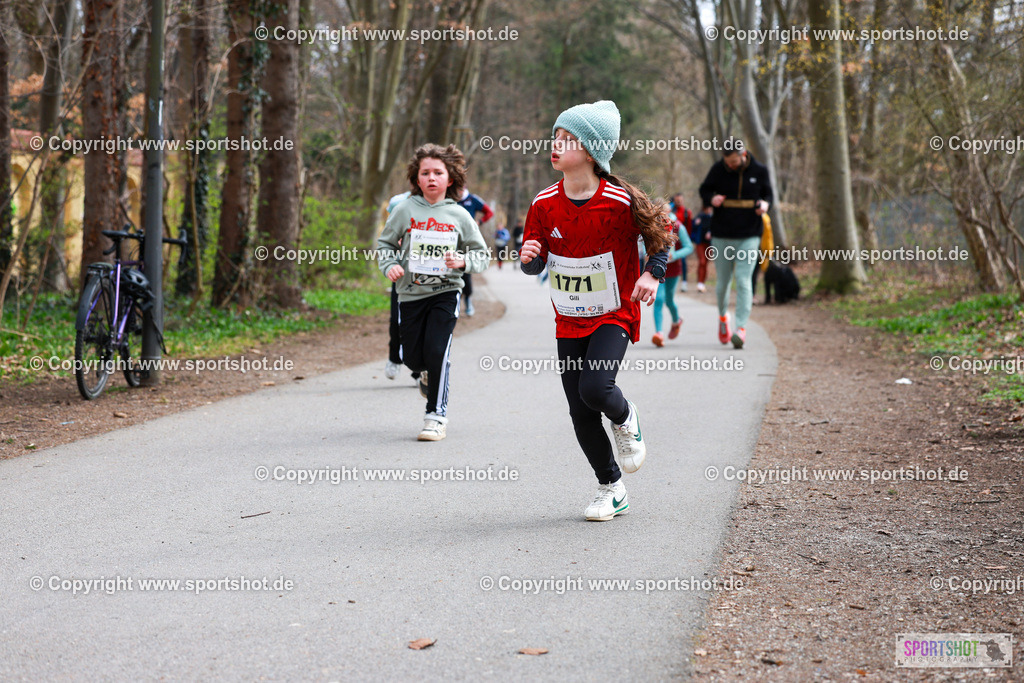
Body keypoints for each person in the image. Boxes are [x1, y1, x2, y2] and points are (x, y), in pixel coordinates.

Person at [519, 100, 672, 522]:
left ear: (589, 151)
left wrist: (652, 274)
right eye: (555, 137)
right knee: (580, 412)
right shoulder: (543, 204)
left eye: (566, 140)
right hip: (568, 316)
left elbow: (663, 233)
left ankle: (626, 417)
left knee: (596, 388)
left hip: (614, 312)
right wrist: (529, 256)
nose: (555, 145)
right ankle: (611, 487)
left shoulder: (621, 201)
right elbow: (535, 258)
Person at [378, 144, 489, 441]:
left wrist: (463, 260)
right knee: (413, 359)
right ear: (416, 178)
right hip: (411, 293)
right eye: (425, 173)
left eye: (438, 173)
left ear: (450, 179)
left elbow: (482, 254)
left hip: (446, 291)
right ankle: (424, 373)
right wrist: (390, 265)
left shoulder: (460, 215)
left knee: (438, 352)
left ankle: (435, 416)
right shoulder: (404, 210)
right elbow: (385, 244)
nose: (431, 178)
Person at [698, 138, 773, 349]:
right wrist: (711, 200)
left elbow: (768, 195)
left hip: (750, 234)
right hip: (722, 234)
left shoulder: (759, 170)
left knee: (743, 280)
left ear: (743, 154)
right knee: (722, 283)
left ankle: (741, 328)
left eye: (733, 161)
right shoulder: (718, 169)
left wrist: (765, 204)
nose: (729, 165)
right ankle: (723, 318)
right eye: (727, 161)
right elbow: (704, 190)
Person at [648, 201, 693, 347]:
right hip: (657, 268)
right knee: (659, 299)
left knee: (669, 300)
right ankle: (659, 333)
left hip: (673, 270)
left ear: (669, 212)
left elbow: (689, 247)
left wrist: (676, 255)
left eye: (664, 213)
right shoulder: (652, 226)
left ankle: (676, 320)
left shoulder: (678, 226)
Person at [383, 191, 412, 381]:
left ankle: (419, 370)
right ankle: (394, 358)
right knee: (397, 320)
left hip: (433, 277)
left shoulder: (446, 203)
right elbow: (387, 236)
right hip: (403, 272)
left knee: (423, 325)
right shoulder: (398, 202)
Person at [456, 188, 494, 316]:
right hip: (451, 239)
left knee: (466, 271)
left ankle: (467, 300)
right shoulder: (449, 198)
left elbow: (489, 212)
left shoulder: (472, 199)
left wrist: (479, 222)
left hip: (467, 240)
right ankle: (454, 301)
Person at [668, 193, 693, 292]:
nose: (679, 202)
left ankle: (684, 281)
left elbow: (689, 227)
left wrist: (686, 239)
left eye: (680, 200)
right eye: (677, 200)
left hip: (681, 240)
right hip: (671, 240)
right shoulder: (671, 210)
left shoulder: (687, 212)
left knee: (682, 261)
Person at [690, 206, 712, 293]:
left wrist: (711, 233)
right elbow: (692, 228)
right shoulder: (699, 217)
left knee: (706, 263)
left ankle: (702, 282)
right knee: (702, 261)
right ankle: (699, 282)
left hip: (709, 244)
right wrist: (696, 223)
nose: (709, 209)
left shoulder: (713, 218)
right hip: (700, 243)